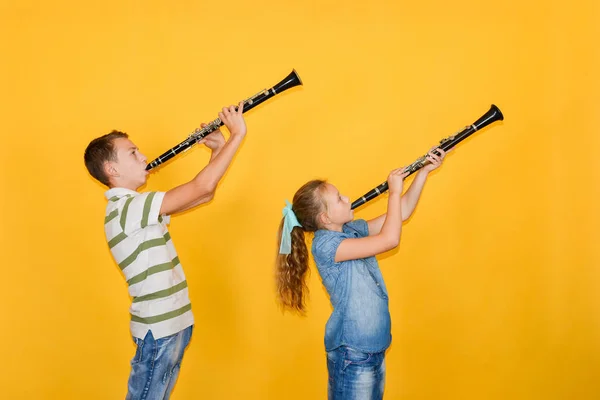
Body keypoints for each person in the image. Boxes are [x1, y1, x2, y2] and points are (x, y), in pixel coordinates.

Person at [83, 102, 247, 399]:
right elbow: (200, 187)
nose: (143, 156)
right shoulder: (127, 207)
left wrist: (217, 149)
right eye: (133, 153)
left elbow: (202, 194)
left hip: (172, 325)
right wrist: (236, 136)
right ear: (112, 169)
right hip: (158, 329)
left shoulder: (137, 207)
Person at [275, 148, 447, 400]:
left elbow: (402, 214)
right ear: (325, 217)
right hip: (352, 355)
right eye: (339, 199)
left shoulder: (351, 229)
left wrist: (423, 172)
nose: (347, 197)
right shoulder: (326, 245)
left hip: (371, 349)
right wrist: (394, 191)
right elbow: (390, 239)